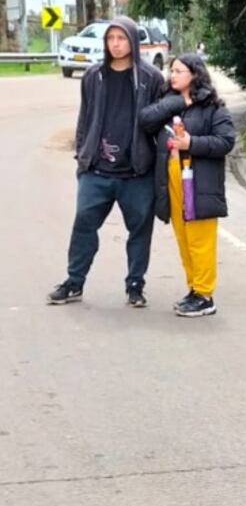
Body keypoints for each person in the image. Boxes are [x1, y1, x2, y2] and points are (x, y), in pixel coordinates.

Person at [48, 17, 167, 308]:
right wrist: (82, 156)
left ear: (133, 41)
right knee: (83, 226)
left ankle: (135, 285)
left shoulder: (151, 78)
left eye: (121, 38)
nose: (116, 44)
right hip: (96, 172)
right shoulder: (93, 76)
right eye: (111, 38)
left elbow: (161, 123)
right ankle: (74, 281)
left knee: (139, 231)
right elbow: (84, 118)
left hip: (137, 173)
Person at [138, 53, 235, 317]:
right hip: (172, 181)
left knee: (199, 240)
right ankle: (194, 289)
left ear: (195, 74)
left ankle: (205, 295)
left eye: (179, 71)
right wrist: (175, 102)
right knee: (183, 239)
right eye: (172, 70)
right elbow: (145, 121)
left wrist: (191, 144)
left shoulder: (213, 107)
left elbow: (226, 141)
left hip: (199, 183)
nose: (173, 75)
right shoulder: (170, 103)